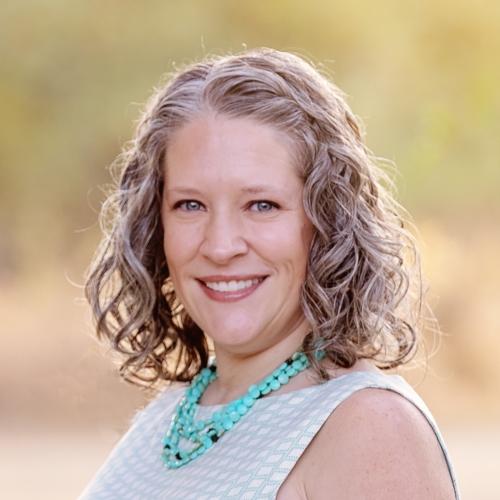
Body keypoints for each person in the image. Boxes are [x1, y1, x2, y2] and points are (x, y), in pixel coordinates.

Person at [80, 47, 460, 499]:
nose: (221, 246)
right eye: (190, 205)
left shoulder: (371, 429)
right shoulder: (171, 417)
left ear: (328, 221)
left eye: (262, 205)